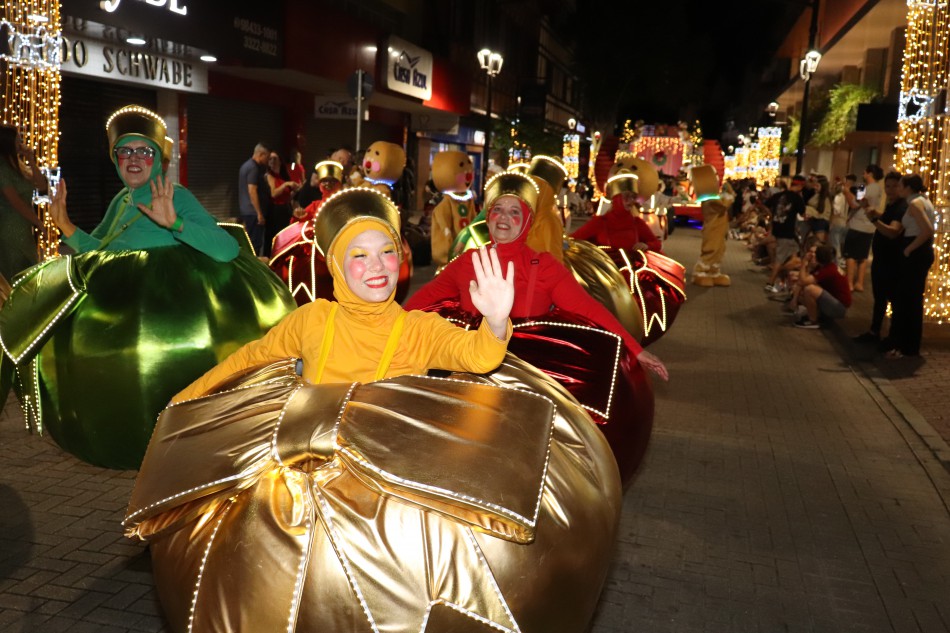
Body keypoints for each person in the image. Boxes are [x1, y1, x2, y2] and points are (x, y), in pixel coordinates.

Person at [175, 187, 514, 400]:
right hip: (310, 483)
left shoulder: (418, 329)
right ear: (336, 266)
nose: (377, 267)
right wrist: (180, 404)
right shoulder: (312, 319)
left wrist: (496, 322)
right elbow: (247, 361)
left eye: (386, 252)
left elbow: (478, 356)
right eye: (360, 256)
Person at [405, 171, 668, 381]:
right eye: (498, 209)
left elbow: (590, 309)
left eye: (514, 211)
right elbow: (422, 299)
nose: (504, 217)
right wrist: (384, 329)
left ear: (527, 222)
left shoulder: (545, 266)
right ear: (488, 217)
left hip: (526, 378)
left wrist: (637, 349)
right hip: (469, 371)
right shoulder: (468, 261)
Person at [49, 106, 239, 262]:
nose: (133, 159)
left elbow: (227, 249)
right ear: (115, 159)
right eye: (125, 151)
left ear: (158, 159)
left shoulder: (175, 195)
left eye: (145, 152)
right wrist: (65, 225)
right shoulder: (122, 199)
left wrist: (175, 223)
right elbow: (99, 256)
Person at [883, 174, 936, 358]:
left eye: (900, 186)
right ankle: (909, 345)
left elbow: (927, 230)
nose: (898, 189)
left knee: (906, 300)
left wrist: (909, 249)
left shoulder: (915, 204)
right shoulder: (924, 201)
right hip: (920, 252)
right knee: (912, 300)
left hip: (915, 252)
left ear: (907, 187)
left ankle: (905, 345)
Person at [853, 171, 907, 345]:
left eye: (894, 186)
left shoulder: (902, 207)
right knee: (880, 298)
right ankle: (875, 331)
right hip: (882, 260)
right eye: (888, 186)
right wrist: (870, 209)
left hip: (891, 261)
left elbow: (893, 231)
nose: (890, 190)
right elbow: (884, 218)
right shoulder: (892, 205)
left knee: (891, 299)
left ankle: (892, 336)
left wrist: (874, 220)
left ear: (902, 187)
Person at [570, 173, 662, 252]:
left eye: (633, 197)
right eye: (626, 197)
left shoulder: (637, 223)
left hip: (631, 270)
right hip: (605, 271)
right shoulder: (600, 222)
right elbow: (572, 240)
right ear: (616, 198)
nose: (631, 201)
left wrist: (647, 246)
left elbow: (657, 243)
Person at [0, 125, 45, 282]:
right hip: (9, 228)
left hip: (23, 228)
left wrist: (31, 160)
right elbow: (15, 202)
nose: (21, 142)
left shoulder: (18, 165)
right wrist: (38, 222)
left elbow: (42, 185)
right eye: (18, 140)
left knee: (27, 273)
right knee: (15, 273)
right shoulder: (2, 168)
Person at [789, 244, 851, 329]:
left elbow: (803, 281)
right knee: (798, 286)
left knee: (809, 289)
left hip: (838, 308)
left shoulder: (828, 270)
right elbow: (802, 280)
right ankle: (815, 314)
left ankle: (812, 320)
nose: (812, 255)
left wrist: (804, 263)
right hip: (834, 302)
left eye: (815, 253)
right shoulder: (826, 266)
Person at [843, 165, 883, 292]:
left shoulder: (863, 188)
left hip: (857, 225)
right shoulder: (879, 189)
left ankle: (849, 283)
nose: (863, 174)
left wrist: (846, 192)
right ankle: (859, 283)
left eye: (865, 172)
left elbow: (854, 204)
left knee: (850, 255)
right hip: (870, 226)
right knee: (863, 256)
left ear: (870, 174)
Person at [764, 174, 806, 294]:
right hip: (787, 231)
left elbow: (764, 204)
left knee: (793, 255)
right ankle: (770, 282)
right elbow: (802, 214)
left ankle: (782, 280)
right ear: (800, 186)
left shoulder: (779, 195)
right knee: (781, 257)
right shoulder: (797, 198)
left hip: (778, 229)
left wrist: (772, 215)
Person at [262, 151, 299, 256]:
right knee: (274, 237)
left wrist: (295, 191)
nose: (272, 161)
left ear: (280, 161)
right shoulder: (269, 176)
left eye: (275, 158)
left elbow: (287, 198)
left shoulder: (283, 176)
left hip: (285, 209)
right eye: (270, 159)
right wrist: (286, 184)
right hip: (275, 210)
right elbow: (273, 193)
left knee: (284, 236)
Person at [238, 143, 269, 254]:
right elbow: (252, 190)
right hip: (253, 212)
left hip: (246, 211)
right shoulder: (253, 168)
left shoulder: (245, 166)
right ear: (261, 154)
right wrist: (259, 213)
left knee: (249, 242)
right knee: (255, 244)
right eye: (267, 157)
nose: (268, 160)